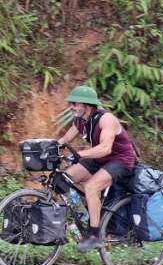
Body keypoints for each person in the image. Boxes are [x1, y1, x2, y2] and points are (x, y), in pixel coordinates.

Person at [56, 85, 137, 252]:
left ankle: (95, 235)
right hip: (99, 158)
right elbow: (64, 139)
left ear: (87, 105)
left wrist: (80, 154)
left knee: (92, 187)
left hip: (120, 160)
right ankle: (84, 216)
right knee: (62, 179)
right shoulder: (80, 120)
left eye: (75, 103)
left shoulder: (106, 119)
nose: (71, 107)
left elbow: (106, 148)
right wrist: (46, 148)